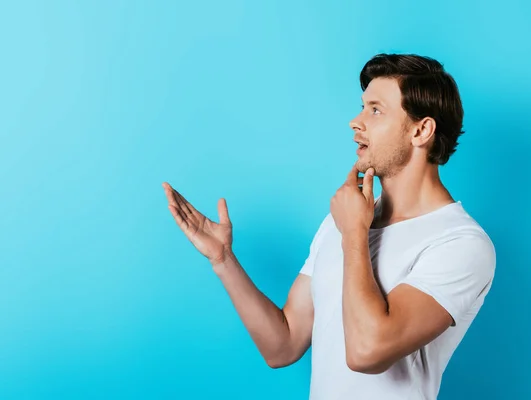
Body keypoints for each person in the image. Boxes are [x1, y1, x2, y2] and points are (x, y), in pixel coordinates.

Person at [162, 53, 496, 400]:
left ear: (421, 130)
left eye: (376, 110)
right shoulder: (344, 218)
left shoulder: (459, 242)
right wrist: (223, 260)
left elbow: (368, 352)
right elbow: (283, 345)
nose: (356, 121)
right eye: (362, 107)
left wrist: (354, 234)